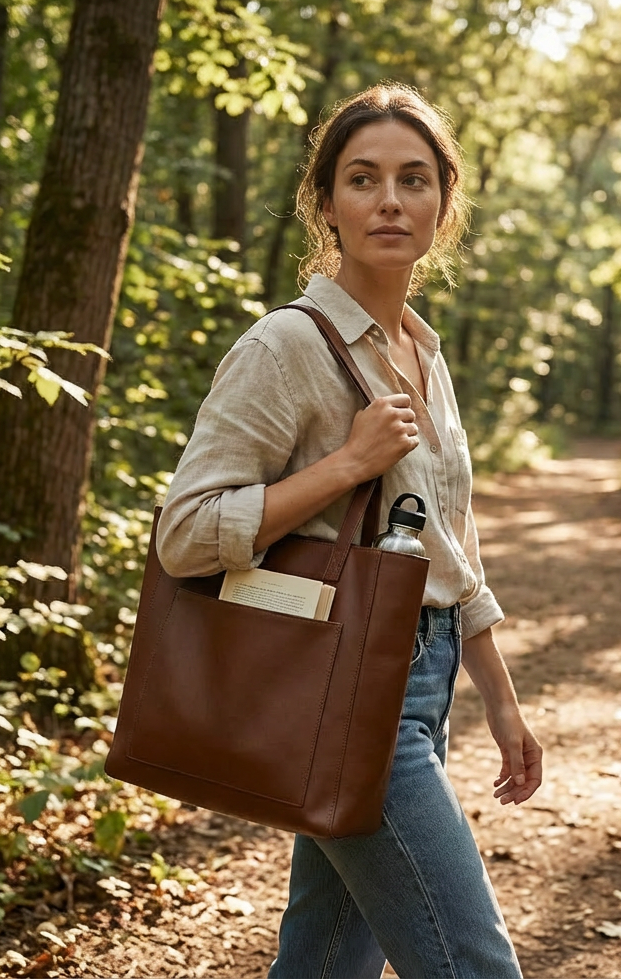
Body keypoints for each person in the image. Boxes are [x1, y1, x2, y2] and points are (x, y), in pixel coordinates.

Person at [156, 83, 542, 979]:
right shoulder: (286, 347)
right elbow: (184, 532)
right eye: (363, 179)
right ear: (326, 202)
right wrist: (340, 468)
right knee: (474, 963)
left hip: (421, 677)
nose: (391, 200)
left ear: (445, 204)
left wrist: (500, 694)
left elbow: (453, 548)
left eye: (414, 179)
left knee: (327, 958)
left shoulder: (423, 350)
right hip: (337, 687)